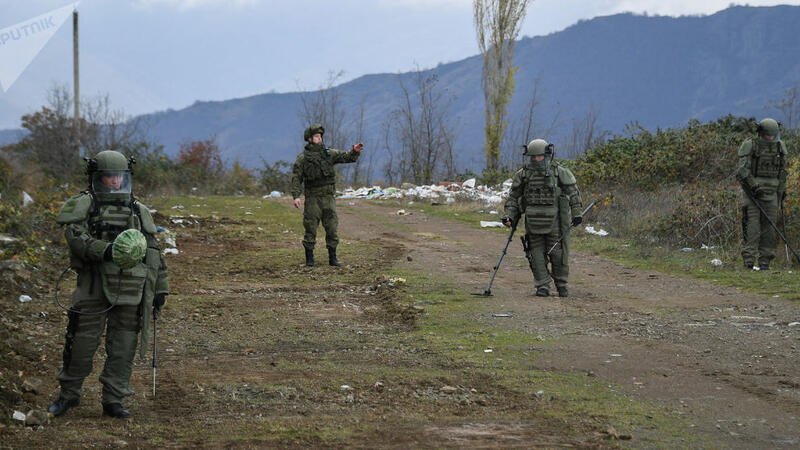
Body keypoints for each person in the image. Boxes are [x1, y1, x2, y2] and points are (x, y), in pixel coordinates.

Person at [49, 150, 169, 419]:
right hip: (93, 283)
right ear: (97, 177)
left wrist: (160, 287)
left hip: (131, 286)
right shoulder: (85, 205)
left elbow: (153, 251)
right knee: (81, 343)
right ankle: (68, 395)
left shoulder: (137, 209)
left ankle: (114, 399)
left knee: (124, 345)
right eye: (109, 177)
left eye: (119, 177)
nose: (115, 182)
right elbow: (76, 237)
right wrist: (104, 250)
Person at [502, 139, 583, 297]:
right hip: (533, 222)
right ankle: (542, 285)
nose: (535, 159)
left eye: (538, 156)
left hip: (555, 222)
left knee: (558, 254)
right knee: (536, 254)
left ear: (546, 155)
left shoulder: (559, 172)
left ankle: (561, 284)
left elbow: (573, 194)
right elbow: (513, 198)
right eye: (532, 157)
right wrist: (509, 216)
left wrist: (577, 213)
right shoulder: (523, 174)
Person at [290, 124, 363, 267]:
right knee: (310, 227)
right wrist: (296, 196)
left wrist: (354, 151)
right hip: (312, 198)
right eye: (316, 136)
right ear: (309, 139)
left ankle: (333, 258)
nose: (320, 138)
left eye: (320, 136)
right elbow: (296, 178)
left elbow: (346, 157)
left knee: (332, 227)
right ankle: (309, 259)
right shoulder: (303, 159)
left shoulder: (329, 154)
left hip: (328, 198)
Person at [735, 118, 788, 270]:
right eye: (768, 135)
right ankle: (749, 260)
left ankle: (765, 261)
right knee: (752, 226)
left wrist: (781, 192)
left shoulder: (780, 147)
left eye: (773, 135)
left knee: (769, 228)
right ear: (761, 133)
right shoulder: (751, 145)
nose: (770, 138)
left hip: (772, 193)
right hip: (752, 194)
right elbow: (742, 170)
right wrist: (754, 186)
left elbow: (782, 172)